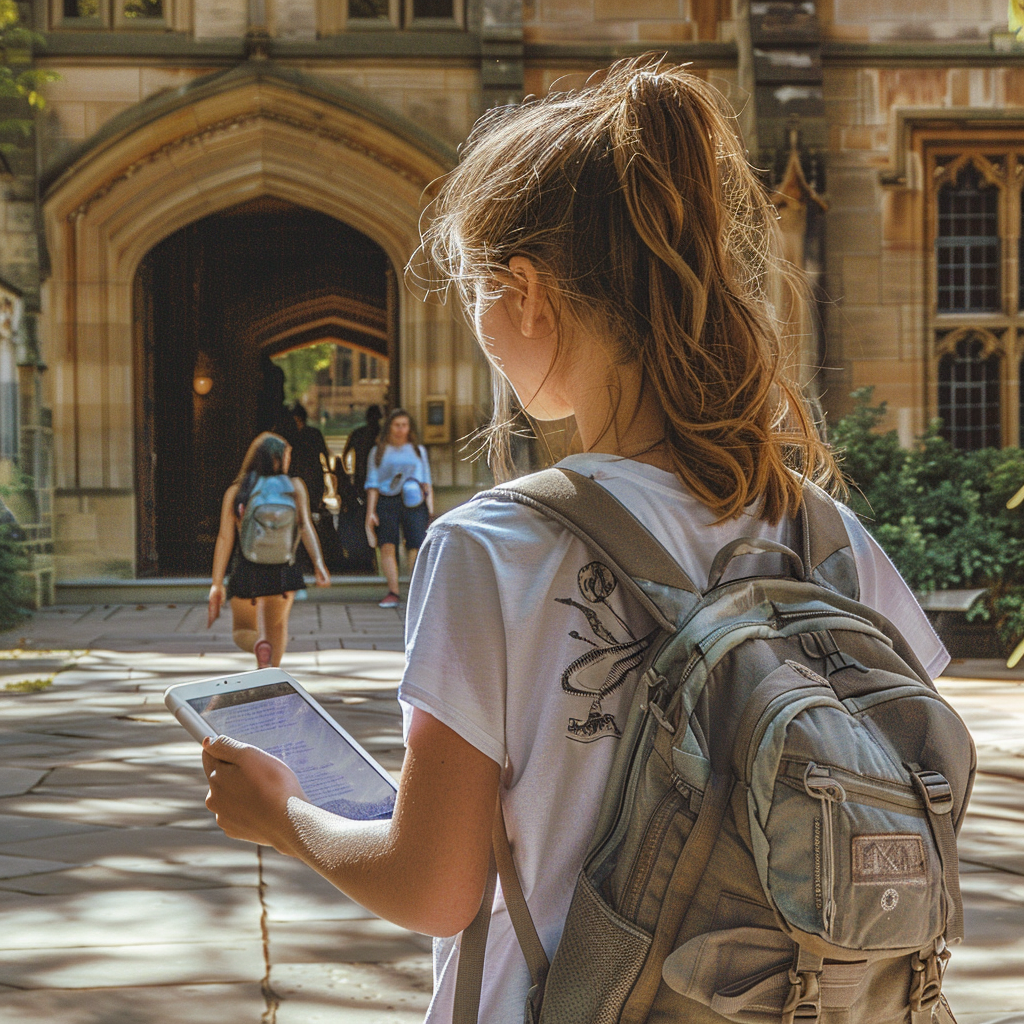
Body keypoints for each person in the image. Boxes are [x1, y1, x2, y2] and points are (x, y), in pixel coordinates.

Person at [200, 59, 949, 1023]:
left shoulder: (492, 549)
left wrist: (283, 817)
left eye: (473, 287)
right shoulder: (817, 525)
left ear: (526, 292)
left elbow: (434, 886)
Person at [208, 432, 330, 668]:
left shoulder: (237, 491)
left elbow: (224, 538)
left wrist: (216, 583)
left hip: (247, 568)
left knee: (243, 630)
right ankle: (271, 676)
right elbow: (305, 528)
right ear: (279, 458)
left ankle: (257, 644)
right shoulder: (294, 487)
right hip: (284, 569)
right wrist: (318, 563)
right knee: (277, 628)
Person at [363, 408, 433, 608]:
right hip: (387, 500)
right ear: (389, 427)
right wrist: (371, 512)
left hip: (414, 500)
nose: (401, 429)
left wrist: (430, 510)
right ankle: (393, 590)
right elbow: (373, 484)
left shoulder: (418, 450)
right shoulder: (378, 451)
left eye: (404, 425)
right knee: (387, 545)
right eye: (397, 425)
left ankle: (414, 590)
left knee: (415, 545)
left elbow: (426, 481)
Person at [342, 403, 383, 493]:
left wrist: (347, 473)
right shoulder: (384, 434)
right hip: (378, 476)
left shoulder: (358, 433)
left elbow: (345, 454)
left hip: (361, 475)